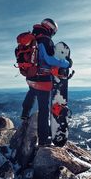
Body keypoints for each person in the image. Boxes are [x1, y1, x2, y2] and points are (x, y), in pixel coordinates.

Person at [20, 18, 72, 146]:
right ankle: (43, 140)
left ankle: (25, 114)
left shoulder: (34, 37)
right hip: (42, 79)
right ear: (51, 28)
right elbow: (49, 59)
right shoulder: (45, 39)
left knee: (32, 92)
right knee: (44, 110)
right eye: (53, 31)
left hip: (30, 76)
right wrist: (66, 63)